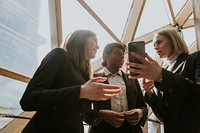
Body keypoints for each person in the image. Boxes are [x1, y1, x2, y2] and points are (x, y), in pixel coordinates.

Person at [20, 30, 122, 133]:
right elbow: (28, 100)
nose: (98, 46)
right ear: (81, 40)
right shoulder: (59, 55)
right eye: (94, 41)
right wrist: (80, 91)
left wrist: (100, 114)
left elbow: (81, 114)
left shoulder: (85, 76)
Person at [126, 28, 200, 133]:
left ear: (174, 40)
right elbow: (163, 116)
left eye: (159, 42)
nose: (155, 46)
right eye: (153, 45)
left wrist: (161, 75)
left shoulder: (195, 58)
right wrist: (151, 95)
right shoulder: (164, 71)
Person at [82, 42, 148, 133]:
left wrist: (139, 112)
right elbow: (84, 111)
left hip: (131, 130)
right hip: (103, 130)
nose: (122, 57)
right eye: (117, 53)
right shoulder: (93, 79)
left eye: (123, 55)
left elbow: (143, 106)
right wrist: (102, 114)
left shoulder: (132, 79)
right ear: (106, 56)